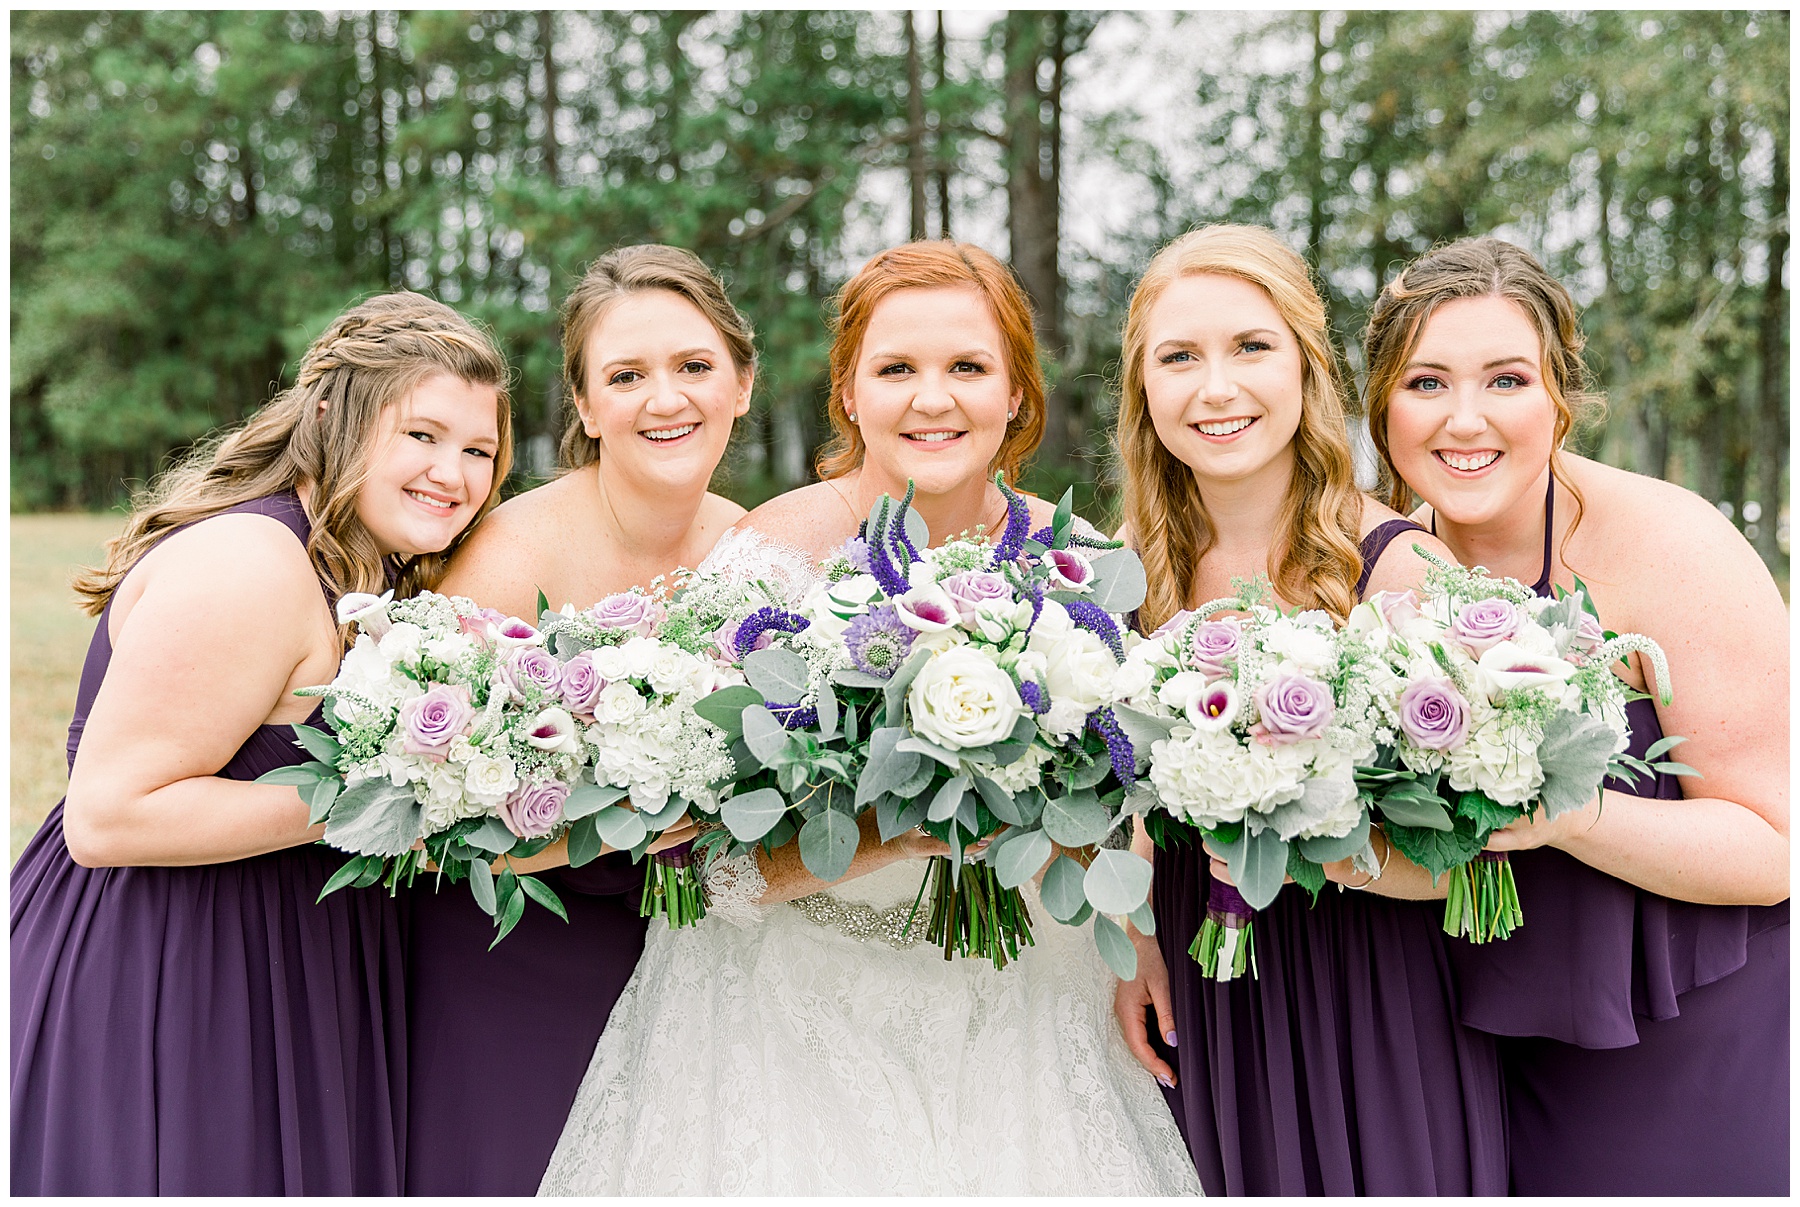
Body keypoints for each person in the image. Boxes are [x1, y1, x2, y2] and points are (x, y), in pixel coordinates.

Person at [538, 241, 1201, 1195]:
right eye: (897, 370)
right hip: (786, 1012)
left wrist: (1131, 934)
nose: (933, 399)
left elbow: (1115, 791)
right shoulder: (769, 558)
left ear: (1016, 392)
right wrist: (899, 831)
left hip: (1021, 1001)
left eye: (968, 367)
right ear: (850, 392)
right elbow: (698, 868)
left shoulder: (1079, 561)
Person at [10, 293, 512, 1194]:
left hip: (290, 958)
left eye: (478, 450)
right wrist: (403, 796)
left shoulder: (362, 568)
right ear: (330, 416)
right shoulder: (254, 561)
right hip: (173, 970)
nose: (455, 473)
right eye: (423, 435)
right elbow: (109, 815)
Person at [1363, 235, 1789, 1195]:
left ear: (1563, 394)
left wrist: (1572, 814)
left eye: (1507, 379)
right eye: (1426, 382)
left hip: (1682, 1031)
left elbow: (1775, 849)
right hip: (1456, 1043)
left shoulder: (1671, 548)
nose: (1464, 420)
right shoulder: (1375, 565)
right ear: (1381, 404)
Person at [1108, 224, 1508, 1195]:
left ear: (1306, 364)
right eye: (1179, 357)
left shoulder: (1399, 567)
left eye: (1251, 347)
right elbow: (1119, 805)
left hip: (1363, 990)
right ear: (1143, 387)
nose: (1217, 388)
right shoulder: (1126, 568)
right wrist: (1132, 946)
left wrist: (1331, 854)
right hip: (1195, 993)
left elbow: (1481, 858)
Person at [404, 245, 747, 1195]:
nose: (663, 398)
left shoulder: (754, 548)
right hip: (512, 943)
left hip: (689, 951)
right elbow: (424, 817)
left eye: (692, 367)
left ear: (743, 384)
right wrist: (608, 826)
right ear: (588, 408)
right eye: (626, 376)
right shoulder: (509, 554)